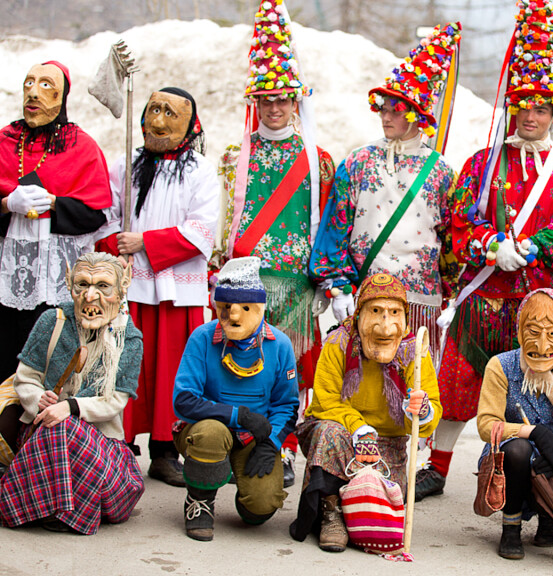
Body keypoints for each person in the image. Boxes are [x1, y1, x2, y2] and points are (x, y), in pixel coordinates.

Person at [417, 0, 553, 502]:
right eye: (523, 105)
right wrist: (488, 244)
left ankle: (521, 475)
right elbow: (457, 221)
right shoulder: (481, 162)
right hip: (483, 297)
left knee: (531, 396)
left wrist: (535, 246)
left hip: (536, 307)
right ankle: (438, 467)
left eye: (541, 107)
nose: (530, 115)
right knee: (458, 386)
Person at [215, 0, 335, 487]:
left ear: (296, 101)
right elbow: (224, 223)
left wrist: (327, 278)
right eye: (266, 99)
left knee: (288, 374)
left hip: (296, 288)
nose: (275, 107)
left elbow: (327, 223)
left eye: (284, 98)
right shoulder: (231, 157)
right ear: (255, 103)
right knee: (235, 368)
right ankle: (232, 440)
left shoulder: (319, 160)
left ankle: (282, 445)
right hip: (244, 286)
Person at [309, 22, 460, 360]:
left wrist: (453, 293)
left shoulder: (442, 172)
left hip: (419, 301)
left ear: (417, 115)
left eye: (396, 109)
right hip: (366, 294)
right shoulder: (358, 162)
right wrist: (338, 286)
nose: (386, 116)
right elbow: (336, 227)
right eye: (384, 107)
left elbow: (452, 241)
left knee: (415, 386)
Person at [95, 87, 219, 486]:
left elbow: (202, 231)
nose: (159, 120)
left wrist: (145, 242)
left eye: (170, 112)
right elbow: (105, 215)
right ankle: (120, 444)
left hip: (174, 290)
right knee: (123, 365)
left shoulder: (201, 169)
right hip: (129, 286)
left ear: (189, 124)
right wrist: (117, 243)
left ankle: (165, 450)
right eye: (153, 110)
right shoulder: (124, 165)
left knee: (170, 370)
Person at [289, 272, 442, 552]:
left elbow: (431, 409)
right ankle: (330, 511)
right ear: (359, 314)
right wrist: (360, 429)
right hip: (342, 430)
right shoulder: (338, 342)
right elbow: (325, 401)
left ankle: (358, 518)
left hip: (388, 443)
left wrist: (420, 410)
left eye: (394, 312)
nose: (386, 327)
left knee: (380, 512)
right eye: (376, 312)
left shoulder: (414, 351)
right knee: (329, 433)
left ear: (405, 316)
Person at [0, 252, 143, 534]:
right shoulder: (51, 322)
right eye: (82, 285)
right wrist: (37, 398)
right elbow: (25, 378)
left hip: (100, 442)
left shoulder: (129, 338)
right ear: (69, 285)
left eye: (103, 286)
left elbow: (114, 401)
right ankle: (61, 511)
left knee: (63, 426)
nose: (90, 296)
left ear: (121, 289)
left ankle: (27, 505)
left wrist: (71, 407)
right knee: (56, 427)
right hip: (41, 431)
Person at [171, 256, 300, 541]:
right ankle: (199, 499)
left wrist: (271, 444)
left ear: (261, 308)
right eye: (225, 307)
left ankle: (240, 484)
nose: (234, 316)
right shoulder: (202, 338)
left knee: (262, 506)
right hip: (205, 430)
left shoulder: (279, 345)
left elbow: (287, 405)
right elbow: (183, 400)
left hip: (253, 439)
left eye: (244, 308)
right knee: (212, 433)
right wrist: (237, 415)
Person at [0, 61, 113, 381]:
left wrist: (53, 203)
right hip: (4, 282)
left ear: (62, 96)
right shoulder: (4, 139)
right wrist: (7, 204)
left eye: (46, 85)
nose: (34, 92)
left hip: (54, 286)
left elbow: (94, 215)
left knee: (47, 372)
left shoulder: (81, 145)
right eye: (29, 83)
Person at [475, 288, 553, 560]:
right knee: (518, 450)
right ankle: (511, 525)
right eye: (533, 332)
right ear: (519, 333)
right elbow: (487, 424)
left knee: (551, 467)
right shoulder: (501, 366)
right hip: (509, 455)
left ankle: (549, 516)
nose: (542, 346)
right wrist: (532, 432)